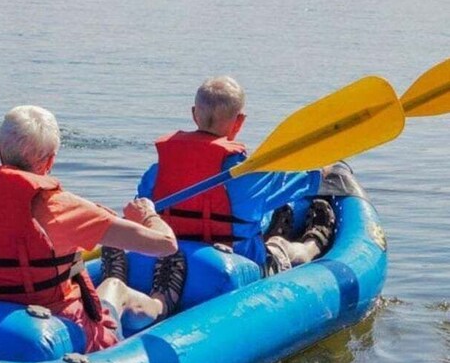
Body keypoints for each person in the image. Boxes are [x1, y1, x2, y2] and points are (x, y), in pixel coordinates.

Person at [0, 105, 185, 353]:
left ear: (0, 152)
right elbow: (166, 245)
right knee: (115, 287)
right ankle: (161, 305)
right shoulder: (65, 208)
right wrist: (147, 213)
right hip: (59, 319)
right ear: (50, 161)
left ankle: (123, 272)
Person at [102, 75, 336, 316]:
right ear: (240, 122)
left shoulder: (156, 172)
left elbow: (143, 216)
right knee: (278, 248)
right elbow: (314, 178)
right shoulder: (252, 176)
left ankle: (277, 225)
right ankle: (310, 246)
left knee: (257, 215)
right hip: (238, 261)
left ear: (194, 114)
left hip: (169, 258)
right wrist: (329, 163)